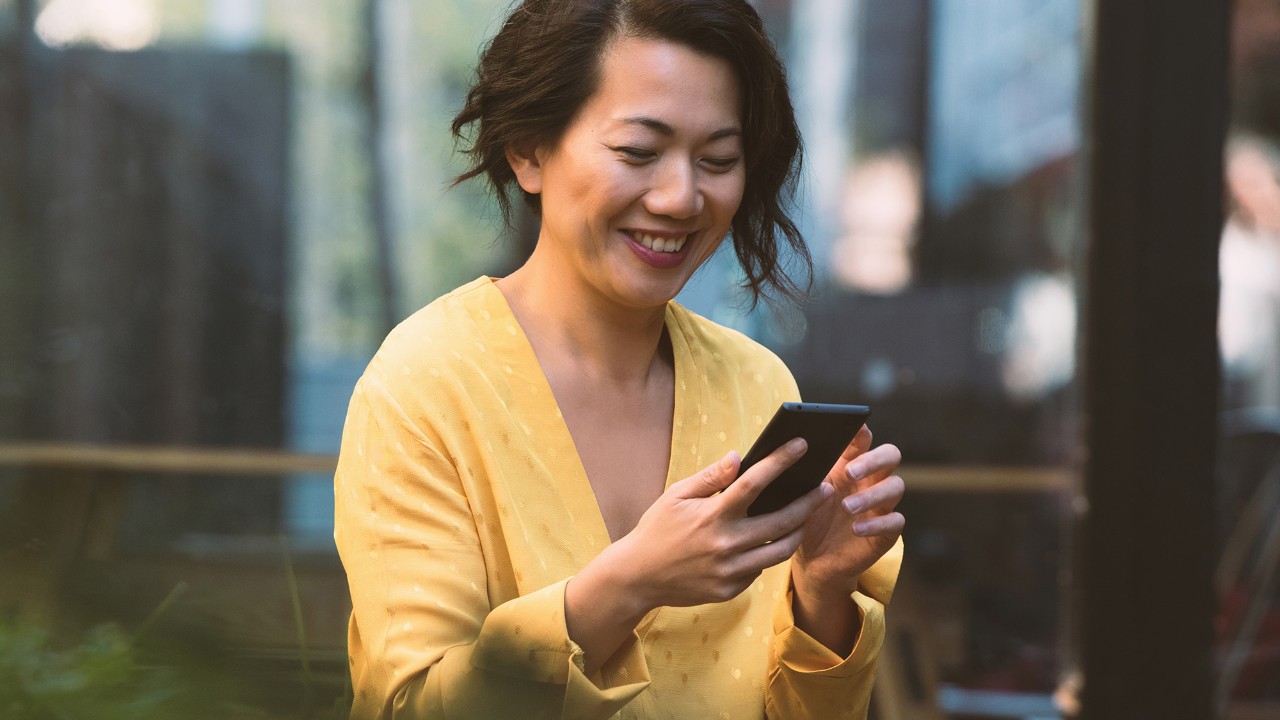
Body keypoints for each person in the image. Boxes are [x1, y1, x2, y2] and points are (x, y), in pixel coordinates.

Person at [334, 1, 906, 717]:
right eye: (638, 152)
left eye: (718, 160)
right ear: (528, 151)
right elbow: (410, 706)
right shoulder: (425, 382)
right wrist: (629, 584)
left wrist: (821, 597)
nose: (680, 197)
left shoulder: (758, 384)